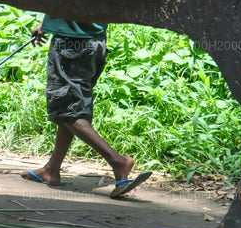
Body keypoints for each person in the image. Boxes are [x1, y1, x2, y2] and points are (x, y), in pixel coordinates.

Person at [21, 15, 151, 198]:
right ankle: (52, 169)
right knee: (72, 105)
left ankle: (117, 161)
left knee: (67, 111)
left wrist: (50, 21)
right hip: (94, 41)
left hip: (71, 43)